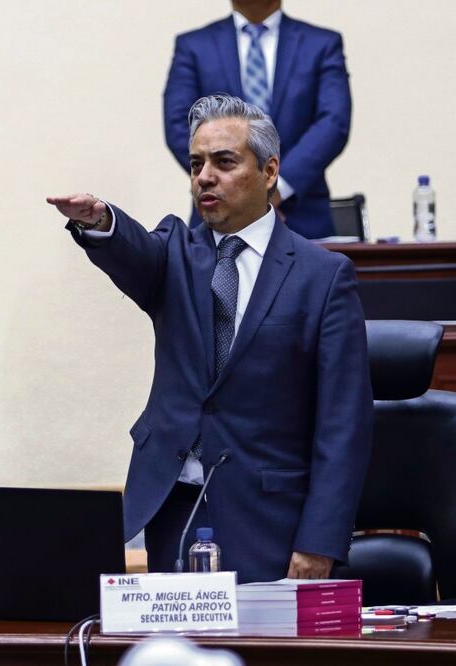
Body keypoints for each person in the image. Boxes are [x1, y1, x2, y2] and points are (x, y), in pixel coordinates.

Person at [46, 94, 372, 583]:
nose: (204, 177)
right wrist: (99, 220)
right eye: (196, 164)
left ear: (269, 171)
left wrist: (319, 542)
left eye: (224, 162)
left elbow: (343, 424)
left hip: (270, 516)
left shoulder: (323, 276)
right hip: (175, 507)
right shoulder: (173, 254)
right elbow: (133, 251)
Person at [163, 0, 351, 239]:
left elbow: (333, 123)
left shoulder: (321, 44)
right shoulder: (194, 46)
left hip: (301, 217)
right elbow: (179, 125)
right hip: (218, 218)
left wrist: (277, 187)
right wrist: (229, 182)